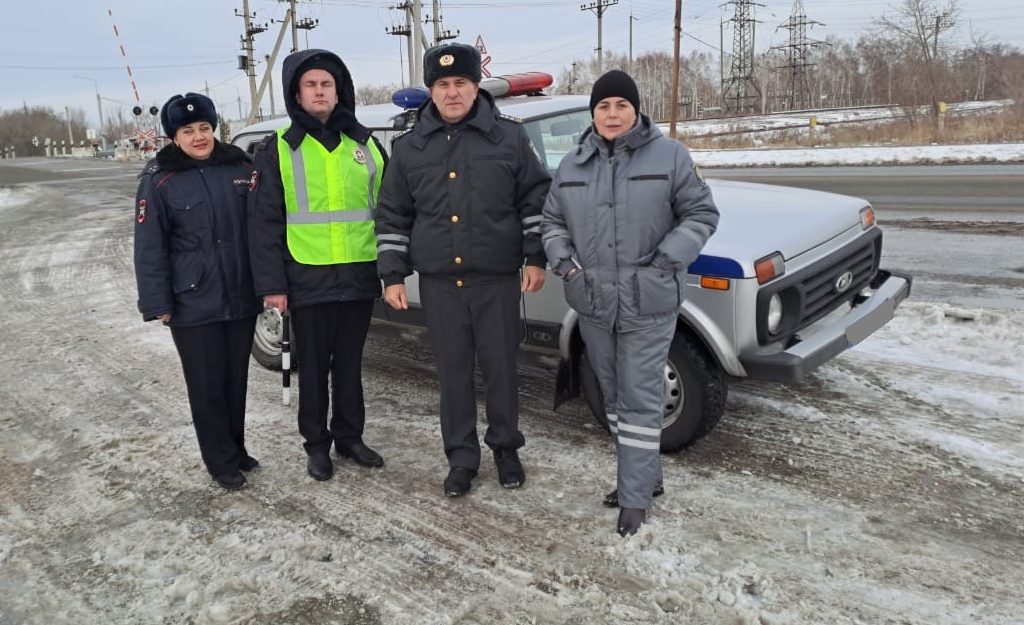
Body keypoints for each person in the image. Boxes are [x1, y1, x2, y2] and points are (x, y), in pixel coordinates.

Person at [541, 70, 719, 536]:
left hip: (649, 301)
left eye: (621, 105)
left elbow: (702, 213)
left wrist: (667, 260)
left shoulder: (671, 156)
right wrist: (567, 265)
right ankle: (647, 476)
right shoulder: (573, 164)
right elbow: (552, 222)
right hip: (593, 302)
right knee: (614, 396)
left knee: (640, 399)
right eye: (604, 107)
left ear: (637, 110)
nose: (612, 114)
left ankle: (634, 497)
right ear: (593, 114)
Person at [376, 42, 551, 498]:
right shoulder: (410, 148)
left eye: (461, 83)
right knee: (453, 375)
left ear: (476, 87)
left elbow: (534, 201)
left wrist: (536, 257)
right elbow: (393, 215)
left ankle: (506, 449)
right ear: (431, 90)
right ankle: (461, 459)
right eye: (442, 84)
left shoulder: (509, 137)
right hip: (440, 284)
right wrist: (392, 275)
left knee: (501, 371)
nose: (452, 93)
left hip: (495, 279)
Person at [247, 48, 388, 482]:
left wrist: (394, 269)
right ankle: (317, 444)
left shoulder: (365, 144)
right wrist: (273, 285)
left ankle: (350, 438)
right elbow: (264, 223)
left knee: (349, 365)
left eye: (326, 83)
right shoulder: (279, 151)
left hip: (359, 275)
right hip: (306, 277)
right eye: (311, 84)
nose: (320, 91)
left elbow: (390, 207)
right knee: (312, 369)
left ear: (338, 90)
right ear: (296, 93)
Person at [134, 92, 260, 491]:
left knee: (234, 380)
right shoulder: (159, 180)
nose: (199, 137)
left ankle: (236, 449)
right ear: (174, 137)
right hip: (192, 299)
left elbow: (261, 228)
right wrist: (159, 304)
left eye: (204, 128)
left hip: (240, 294)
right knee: (207, 385)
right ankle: (219, 461)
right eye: (188, 131)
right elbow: (149, 246)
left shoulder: (239, 167)